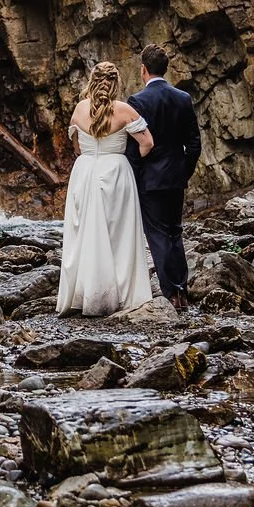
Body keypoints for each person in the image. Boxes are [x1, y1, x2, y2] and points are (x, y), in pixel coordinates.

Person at [57, 61, 155, 318]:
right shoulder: (124, 110)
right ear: (116, 83)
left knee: (85, 233)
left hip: (86, 171)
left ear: (92, 81)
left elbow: (76, 147)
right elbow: (147, 143)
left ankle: (85, 293)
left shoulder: (79, 109)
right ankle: (119, 292)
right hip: (115, 172)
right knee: (118, 234)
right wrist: (128, 160)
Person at [127, 44, 202, 315]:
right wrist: (185, 171)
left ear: (143, 69)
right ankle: (181, 289)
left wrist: (133, 178)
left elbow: (134, 149)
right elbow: (194, 144)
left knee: (157, 235)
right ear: (165, 68)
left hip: (150, 180)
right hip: (175, 176)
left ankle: (170, 293)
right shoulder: (183, 98)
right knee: (175, 232)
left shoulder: (137, 102)